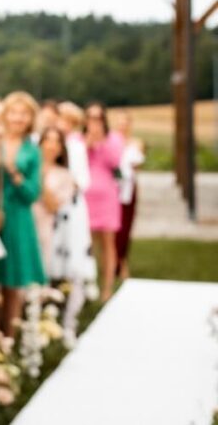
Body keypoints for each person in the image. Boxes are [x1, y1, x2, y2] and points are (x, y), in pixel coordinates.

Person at [0, 91, 45, 337]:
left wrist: (14, 173)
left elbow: (33, 193)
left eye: (24, 114)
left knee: (13, 282)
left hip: (19, 217)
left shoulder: (32, 151)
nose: (18, 118)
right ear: (5, 115)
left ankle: (10, 337)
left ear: (31, 119)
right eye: (14, 112)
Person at [40, 126, 95, 341]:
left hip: (57, 230)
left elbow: (55, 204)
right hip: (32, 228)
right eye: (48, 140)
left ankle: (65, 323)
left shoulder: (65, 175)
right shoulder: (30, 169)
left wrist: (39, 179)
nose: (51, 146)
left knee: (65, 274)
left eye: (56, 141)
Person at [83, 102, 123, 302]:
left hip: (106, 197)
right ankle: (88, 286)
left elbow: (115, 162)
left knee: (108, 243)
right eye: (90, 117)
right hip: (85, 198)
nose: (94, 122)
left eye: (98, 118)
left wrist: (101, 142)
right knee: (87, 243)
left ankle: (107, 287)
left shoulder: (113, 139)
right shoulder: (78, 139)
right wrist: (87, 144)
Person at [113, 110, 145, 281]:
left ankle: (122, 261)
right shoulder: (111, 142)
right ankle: (113, 262)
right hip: (113, 189)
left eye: (125, 123)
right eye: (120, 123)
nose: (123, 126)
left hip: (129, 189)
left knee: (126, 227)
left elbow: (138, 166)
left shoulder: (136, 143)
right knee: (114, 228)